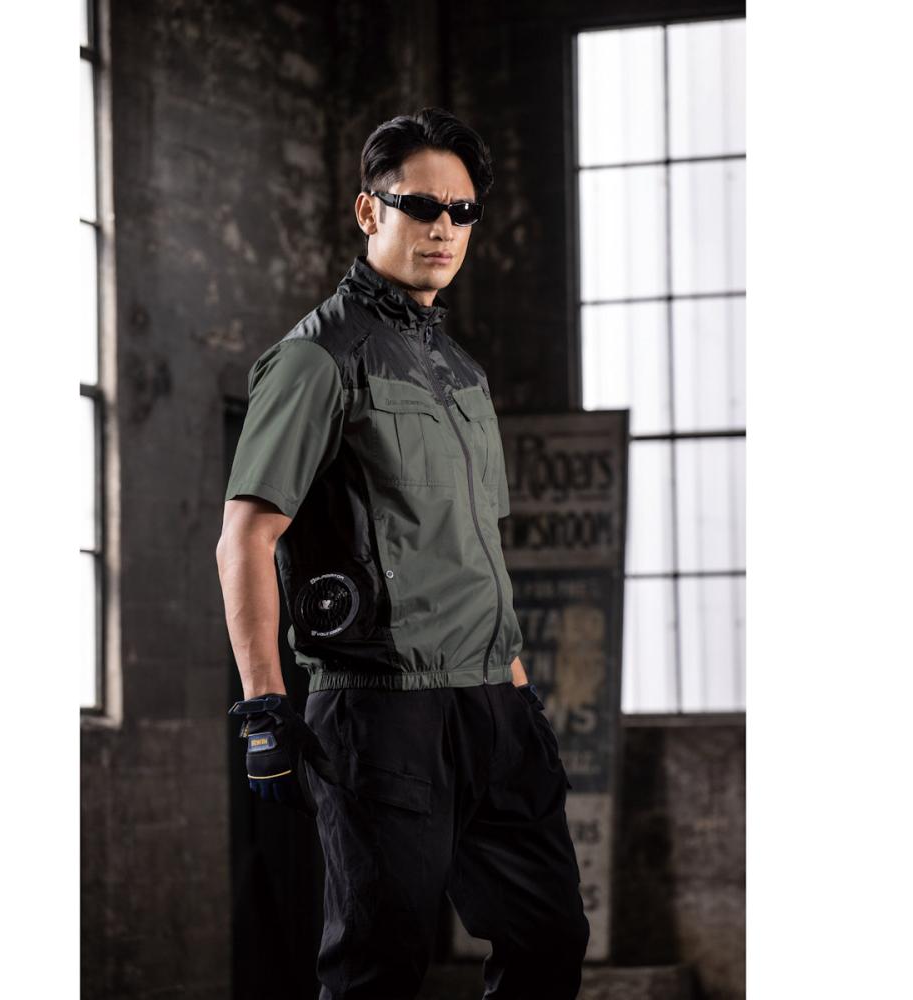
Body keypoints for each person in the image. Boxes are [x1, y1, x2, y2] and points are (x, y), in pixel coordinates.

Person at [216, 107, 590, 1000]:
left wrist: (516, 684)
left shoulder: (461, 373)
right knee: (378, 969)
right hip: (383, 713)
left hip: (492, 707)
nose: (443, 228)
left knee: (548, 938)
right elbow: (246, 536)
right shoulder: (316, 360)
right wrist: (265, 706)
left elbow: (471, 545)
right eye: (420, 205)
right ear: (368, 211)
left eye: (462, 211)